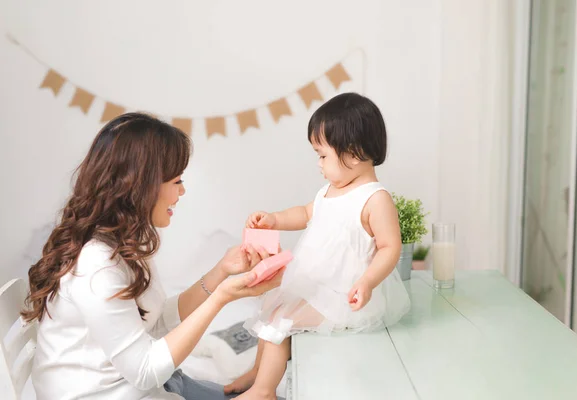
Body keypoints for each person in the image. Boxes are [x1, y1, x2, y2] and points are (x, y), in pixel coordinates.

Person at [22, 113, 283, 400]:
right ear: (142, 186)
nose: (182, 192)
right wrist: (223, 296)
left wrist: (221, 271)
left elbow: (155, 324)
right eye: (176, 181)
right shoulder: (97, 265)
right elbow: (145, 370)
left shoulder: (120, 243)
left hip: (149, 386)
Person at [225, 93, 411, 399]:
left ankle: (264, 390)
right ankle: (257, 372)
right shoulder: (329, 191)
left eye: (322, 155)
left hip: (344, 298)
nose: (318, 164)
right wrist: (274, 219)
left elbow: (390, 247)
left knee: (280, 320)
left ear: (352, 153)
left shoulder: (374, 199)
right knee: (273, 305)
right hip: (318, 288)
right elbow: (304, 213)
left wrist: (366, 282)